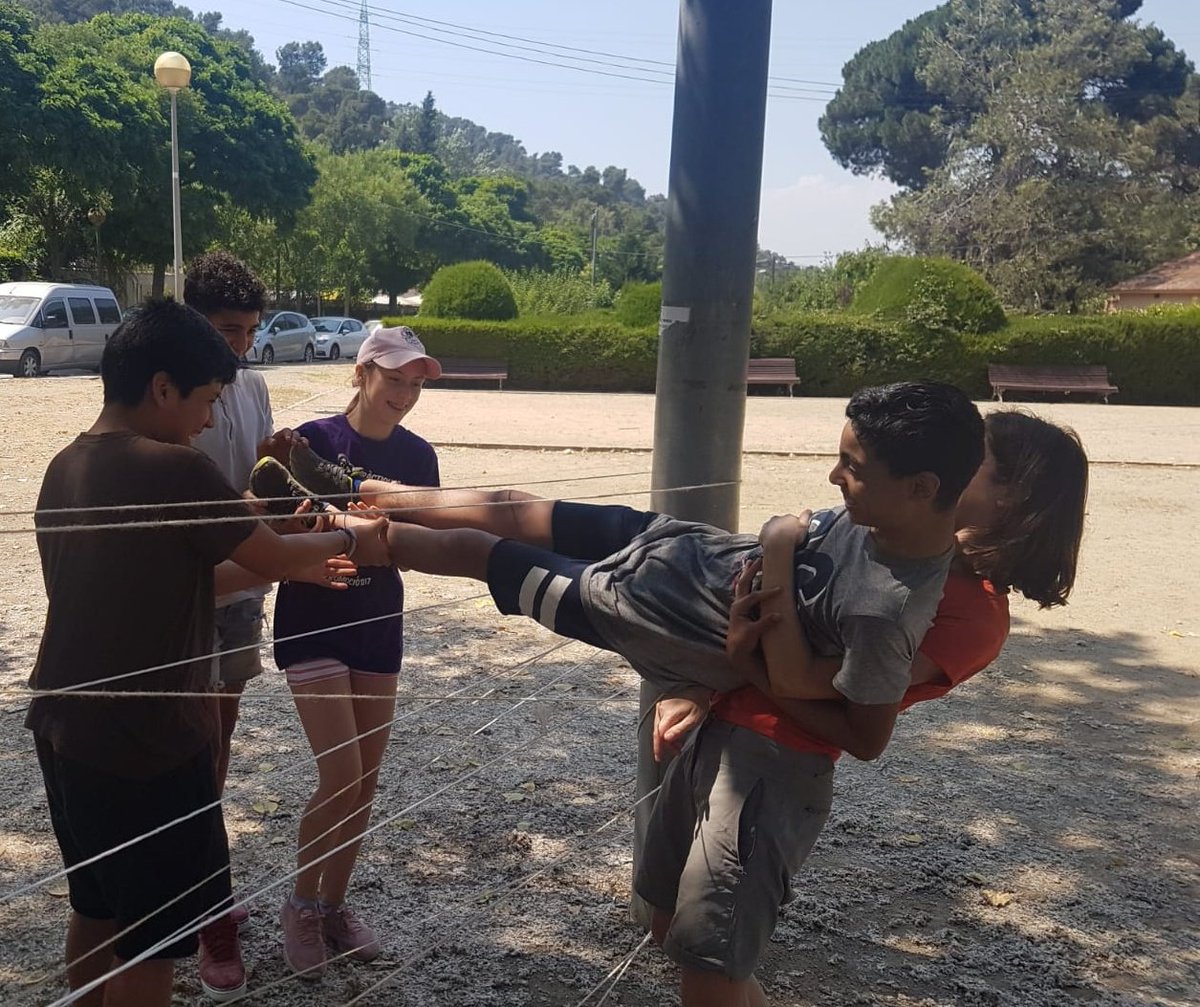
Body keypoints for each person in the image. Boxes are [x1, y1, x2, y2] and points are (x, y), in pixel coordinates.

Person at [640, 409, 1089, 1006]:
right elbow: (772, 624)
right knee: (670, 927)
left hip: (774, 768)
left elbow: (829, 698)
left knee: (709, 966)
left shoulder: (973, 615)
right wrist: (700, 686)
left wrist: (749, 650)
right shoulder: (886, 547)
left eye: (971, 459)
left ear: (1012, 497)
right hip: (717, 742)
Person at [27, 299, 388, 1007]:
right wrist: (353, 537)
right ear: (162, 387)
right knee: (152, 942)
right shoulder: (175, 468)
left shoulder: (65, 465)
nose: (211, 421)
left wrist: (295, 555)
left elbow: (184, 576)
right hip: (148, 743)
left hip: (64, 728)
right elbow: (272, 554)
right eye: (207, 400)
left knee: (97, 907)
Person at [287, 380, 984, 716]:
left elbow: (830, 705)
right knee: (510, 507)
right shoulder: (884, 520)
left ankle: (342, 530)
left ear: (922, 487)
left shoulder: (888, 608)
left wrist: (776, 549)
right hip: (676, 546)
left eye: (852, 468)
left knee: (482, 552)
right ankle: (351, 486)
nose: (834, 478)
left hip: (645, 609)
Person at [262, 326, 442, 980]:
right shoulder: (308, 441)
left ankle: (333, 905)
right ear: (361, 373)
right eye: (394, 378)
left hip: (377, 622)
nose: (405, 393)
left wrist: (370, 533)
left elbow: (415, 546)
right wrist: (336, 534)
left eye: (415, 383)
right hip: (312, 622)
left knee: (365, 780)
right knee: (340, 773)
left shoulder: (419, 457)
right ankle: (300, 905)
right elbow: (270, 530)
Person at [185, 251, 306, 799]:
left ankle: (209, 820)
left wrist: (274, 455)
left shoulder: (254, 385)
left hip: (248, 573)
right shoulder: (174, 392)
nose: (242, 344)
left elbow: (257, 470)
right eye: (229, 330)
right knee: (192, 723)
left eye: (252, 331)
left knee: (224, 719)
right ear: (195, 322)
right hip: (193, 576)